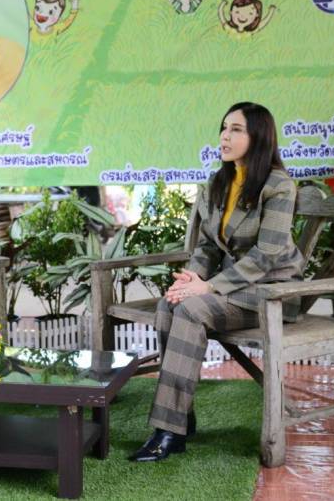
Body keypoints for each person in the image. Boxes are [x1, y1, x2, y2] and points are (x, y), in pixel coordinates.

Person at [129, 101, 304, 463]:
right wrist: (193, 277)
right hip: (232, 289)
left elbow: (266, 255)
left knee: (191, 310)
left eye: (235, 129)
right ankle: (179, 420)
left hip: (274, 291)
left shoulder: (279, 185)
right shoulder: (218, 182)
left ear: (258, 137)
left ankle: (168, 431)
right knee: (171, 303)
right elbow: (208, 246)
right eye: (224, 128)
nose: (225, 136)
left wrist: (208, 287)